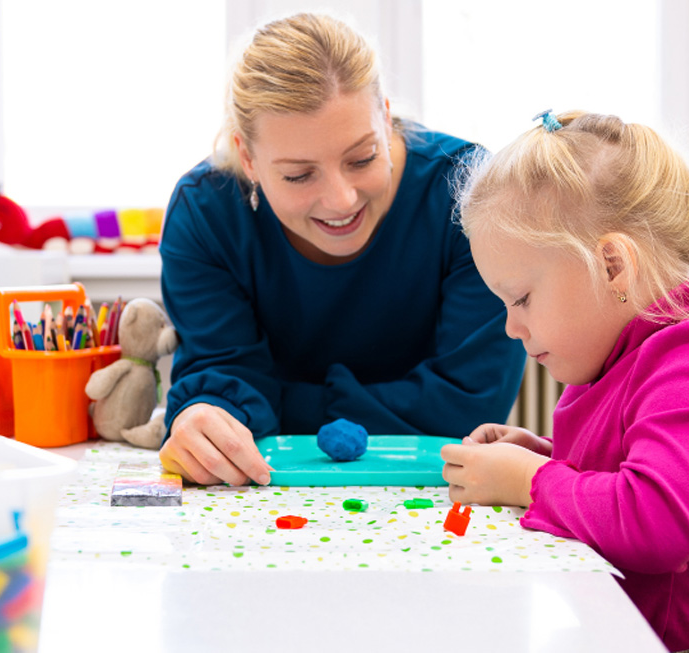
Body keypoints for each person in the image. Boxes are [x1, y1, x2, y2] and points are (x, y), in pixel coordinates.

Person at [440, 110, 689, 653]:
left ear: (613, 266)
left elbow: (659, 523)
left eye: (521, 298)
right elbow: (628, 468)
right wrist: (547, 457)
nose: (510, 326)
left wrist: (530, 481)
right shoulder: (620, 349)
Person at [158, 13, 524, 487]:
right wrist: (205, 419)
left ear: (386, 117)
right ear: (247, 158)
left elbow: (468, 406)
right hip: (269, 495)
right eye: (298, 175)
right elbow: (221, 382)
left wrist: (274, 404)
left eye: (363, 157)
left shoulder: (470, 193)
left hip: (438, 489)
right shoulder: (205, 214)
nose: (341, 200)